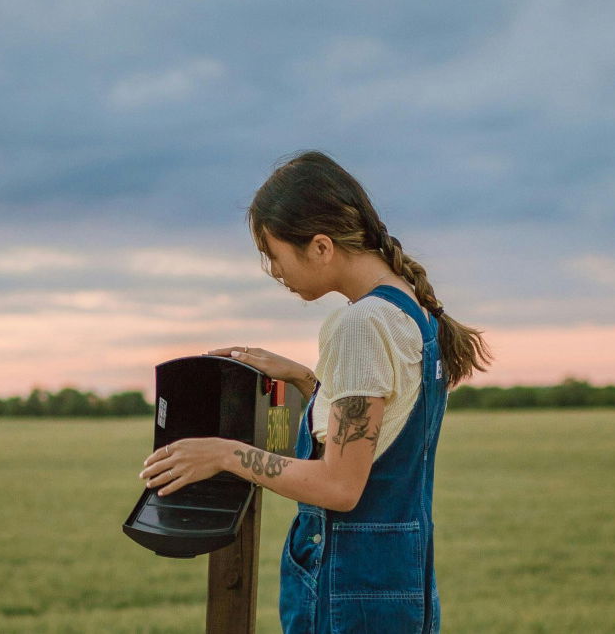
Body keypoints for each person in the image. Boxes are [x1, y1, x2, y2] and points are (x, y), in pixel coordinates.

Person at [138, 150, 492, 633]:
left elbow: (338, 486)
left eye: (274, 254)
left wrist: (223, 454)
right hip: (395, 583)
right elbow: (386, 424)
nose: (273, 271)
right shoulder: (411, 312)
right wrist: (307, 380)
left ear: (321, 246)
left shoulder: (361, 325)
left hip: (351, 594)